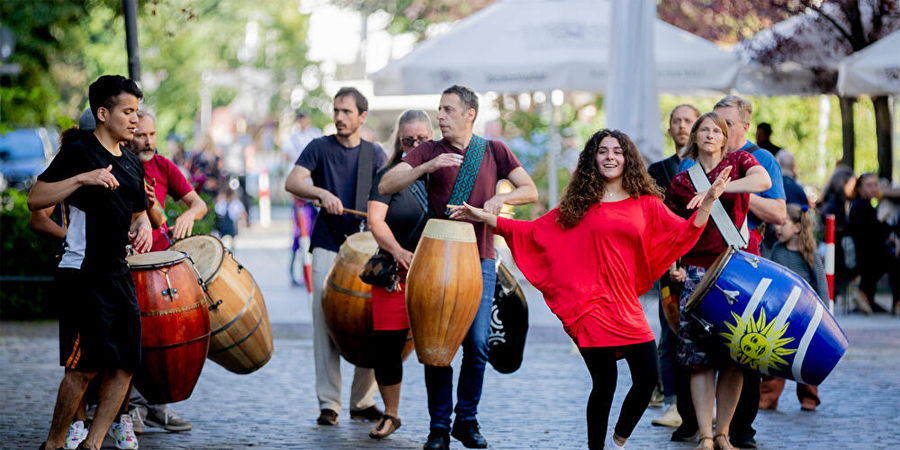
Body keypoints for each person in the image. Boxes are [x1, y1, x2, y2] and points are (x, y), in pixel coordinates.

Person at [450, 128, 729, 450]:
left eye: (617, 151)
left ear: (627, 159)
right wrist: (484, 217)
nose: (610, 157)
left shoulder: (647, 204)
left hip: (626, 306)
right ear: (592, 159)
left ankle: (619, 440)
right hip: (590, 309)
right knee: (605, 382)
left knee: (647, 377)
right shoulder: (579, 205)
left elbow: (683, 232)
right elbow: (534, 232)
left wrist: (708, 200)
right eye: (602, 151)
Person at [378, 85, 538, 450]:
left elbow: (530, 190)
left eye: (448, 110)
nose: (440, 116)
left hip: (479, 259)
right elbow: (386, 183)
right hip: (436, 260)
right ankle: (438, 427)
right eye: (439, 109)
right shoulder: (427, 150)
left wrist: (502, 196)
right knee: (438, 344)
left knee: (478, 344)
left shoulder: (493, 150)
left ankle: (466, 419)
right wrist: (427, 166)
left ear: (470, 114)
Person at [29, 75, 153, 450]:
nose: (135, 120)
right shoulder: (80, 152)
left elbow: (137, 212)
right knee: (84, 367)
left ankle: (93, 444)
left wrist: (143, 224)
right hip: (82, 274)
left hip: (119, 273)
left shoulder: (131, 161)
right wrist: (83, 179)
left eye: (137, 111)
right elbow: (36, 199)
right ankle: (53, 444)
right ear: (103, 113)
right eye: (127, 111)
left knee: (126, 365)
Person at [665, 111, 772, 450]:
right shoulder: (681, 183)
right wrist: (672, 265)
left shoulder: (740, 161)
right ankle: (706, 435)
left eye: (716, 130)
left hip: (736, 268)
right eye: (704, 130)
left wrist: (721, 189)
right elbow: (670, 230)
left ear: (725, 138)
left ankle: (723, 432)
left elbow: (763, 182)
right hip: (697, 271)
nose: (710, 135)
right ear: (694, 137)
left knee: (734, 358)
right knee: (698, 360)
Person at [284, 87, 387, 426]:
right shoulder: (319, 147)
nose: (339, 117)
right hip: (328, 245)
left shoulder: (375, 154)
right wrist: (321, 192)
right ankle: (329, 403)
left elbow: (389, 194)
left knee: (370, 322)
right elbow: (293, 181)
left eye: (347, 112)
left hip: (365, 250)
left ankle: (361, 400)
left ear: (362, 116)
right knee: (323, 323)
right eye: (336, 110)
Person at [125, 109, 205, 433]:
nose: (148, 141)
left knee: (163, 335)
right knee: (134, 337)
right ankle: (131, 407)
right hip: (126, 264)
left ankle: (158, 406)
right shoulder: (120, 164)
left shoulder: (163, 166)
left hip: (159, 265)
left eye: (152, 135)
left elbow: (198, 203)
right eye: (141, 135)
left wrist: (190, 216)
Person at [366, 110, 433, 440]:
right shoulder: (388, 174)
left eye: (422, 139)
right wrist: (398, 251)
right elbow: (375, 221)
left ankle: (441, 422)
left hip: (435, 274)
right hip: (395, 273)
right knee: (386, 348)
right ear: (400, 142)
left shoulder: (444, 174)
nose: (416, 145)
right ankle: (391, 414)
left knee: (437, 349)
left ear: (432, 138)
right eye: (409, 140)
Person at [647, 104, 700, 431]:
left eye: (688, 121)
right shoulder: (658, 170)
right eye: (676, 121)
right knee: (669, 333)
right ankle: (672, 403)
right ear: (669, 129)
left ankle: (704, 405)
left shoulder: (711, 168)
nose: (682, 126)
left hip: (704, 263)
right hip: (668, 264)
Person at [759, 204, 828, 411]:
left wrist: (823, 317)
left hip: (805, 316)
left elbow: (821, 284)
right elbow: (771, 277)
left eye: (783, 223)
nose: (777, 228)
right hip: (780, 314)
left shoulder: (810, 254)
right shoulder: (777, 250)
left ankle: (809, 396)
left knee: (806, 357)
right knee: (773, 355)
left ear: (797, 227)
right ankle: (768, 396)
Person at [849, 173, 899, 314]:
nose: (873, 188)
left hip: (872, 254)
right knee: (893, 259)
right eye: (869, 185)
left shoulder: (867, 206)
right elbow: (869, 234)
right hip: (866, 255)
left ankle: (866, 296)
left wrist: (894, 239)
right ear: (859, 189)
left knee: (892, 256)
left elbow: (883, 231)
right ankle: (894, 302)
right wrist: (881, 218)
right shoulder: (859, 206)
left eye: (875, 185)